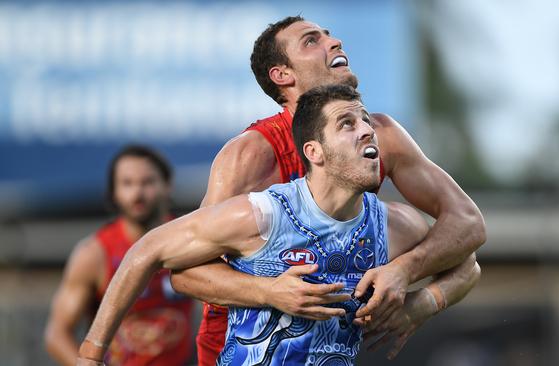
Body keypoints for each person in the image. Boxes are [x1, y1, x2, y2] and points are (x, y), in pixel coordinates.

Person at [77, 85, 479, 366]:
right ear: (314, 152)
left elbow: (467, 264)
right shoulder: (261, 214)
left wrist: (419, 301)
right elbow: (147, 250)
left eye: (365, 121)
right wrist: (91, 356)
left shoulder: (395, 226)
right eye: (347, 124)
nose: (367, 130)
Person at [169, 16, 486, 364]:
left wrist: (410, 284)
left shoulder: (381, 135)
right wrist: (269, 292)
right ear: (282, 75)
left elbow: (467, 229)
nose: (334, 43)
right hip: (238, 351)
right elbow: (186, 273)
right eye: (311, 41)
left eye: (330, 36)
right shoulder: (251, 154)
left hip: (329, 348)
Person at [44, 145, 194, 366]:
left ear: (167, 185)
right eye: (127, 184)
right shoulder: (95, 254)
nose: (137, 194)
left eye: (147, 182)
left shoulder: (189, 240)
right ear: (114, 192)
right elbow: (57, 335)